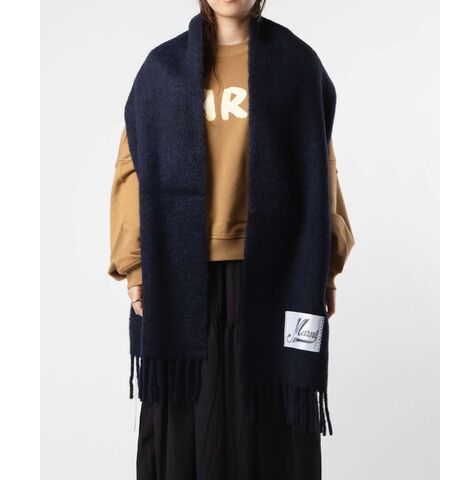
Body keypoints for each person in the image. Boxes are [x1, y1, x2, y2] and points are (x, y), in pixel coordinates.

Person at [109, 1, 354, 478]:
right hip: (181, 273)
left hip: (277, 274)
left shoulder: (297, 65)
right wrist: (134, 265)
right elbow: (132, 166)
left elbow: (319, 167)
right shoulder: (162, 69)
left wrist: (325, 268)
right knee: (187, 421)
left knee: (271, 426)